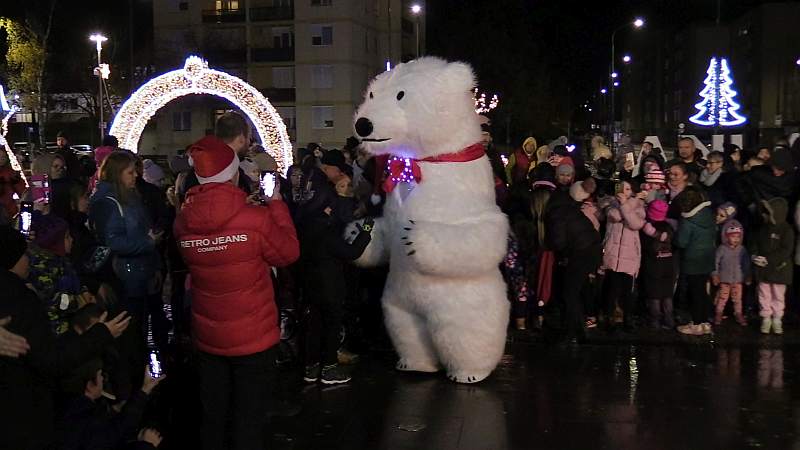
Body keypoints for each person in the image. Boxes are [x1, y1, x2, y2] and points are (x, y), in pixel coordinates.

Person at [174, 135, 299, 450]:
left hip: (209, 335)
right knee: (249, 417)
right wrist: (276, 206)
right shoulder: (255, 219)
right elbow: (288, 253)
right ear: (231, 174)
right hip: (253, 337)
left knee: (213, 416)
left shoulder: (183, 222)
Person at [0, 225, 130, 449]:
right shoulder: (19, 299)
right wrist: (101, 333)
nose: (28, 260)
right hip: (23, 414)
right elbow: (49, 359)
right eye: (23, 254)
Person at [89, 151, 163, 355]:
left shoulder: (129, 197)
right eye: (130, 172)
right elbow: (112, 241)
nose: (136, 176)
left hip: (139, 272)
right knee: (129, 335)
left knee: (137, 330)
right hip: (124, 277)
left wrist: (153, 263)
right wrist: (148, 243)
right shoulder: (109, 203)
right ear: (117, 174)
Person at [57, 360, 165, 450]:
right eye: (100, 375)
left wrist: (144, 390)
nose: (103, 379)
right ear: (90, 385)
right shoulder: (87, 421)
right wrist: (146, 445)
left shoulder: (73, 408)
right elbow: (117, 431)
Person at [600, 180, 646, 332]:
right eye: (621, 188)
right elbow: (615, 216)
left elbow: (635, 224)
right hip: (613, 255)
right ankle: (610, 318)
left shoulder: (639, 207)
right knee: (611, 290)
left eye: (627, 189)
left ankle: (628, 318)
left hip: (630, 256)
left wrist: (627, 204)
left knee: (628, 292)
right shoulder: (610, 204)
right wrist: (623, 205)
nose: (623, 191)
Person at [674, 187, 716, 335]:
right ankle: (704, 322)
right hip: (707, 259)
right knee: (702, 292)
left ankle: (696, 323)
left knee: (695, 292)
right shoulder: (708, 215)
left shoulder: (687, 221)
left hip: (692, 262)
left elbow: (681, 242)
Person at [751, 198, 794, 335]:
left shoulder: (787, 230)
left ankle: (777, 319)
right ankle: (766, 318)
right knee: (764, 294)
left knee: (778, 295)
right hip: (764, 270)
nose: (765, 215)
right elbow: (755, 243)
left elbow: (786, 250)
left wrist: (768, 259)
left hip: (779, 269)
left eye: (768, 213)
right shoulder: (763, 228)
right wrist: (754, 255)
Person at [640, 200, 676, 329]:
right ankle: (669, 320)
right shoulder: (669, 227)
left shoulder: (648, 228)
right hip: (669, 263)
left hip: (654, 264)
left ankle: (655, 321)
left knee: (654, 293)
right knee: (667, 293)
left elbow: (645, 247)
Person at [711, 220, 750, 326]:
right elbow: (715, 262)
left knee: (737, 299)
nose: (736, 239)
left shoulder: (742, 249)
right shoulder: (722, 249)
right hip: (724, 280)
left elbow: (746, 264)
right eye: (733, 236)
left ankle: (738, 314)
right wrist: (715, 274)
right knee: (722, 298)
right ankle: (718, 313)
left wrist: (747, 275)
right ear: (726, 236)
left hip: (738, 280)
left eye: (738, 237)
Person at [0, 148, 26, 223]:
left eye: (3, 157)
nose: (1, 159)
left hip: (8, 211)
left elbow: (22, 190)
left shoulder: (11, 173)